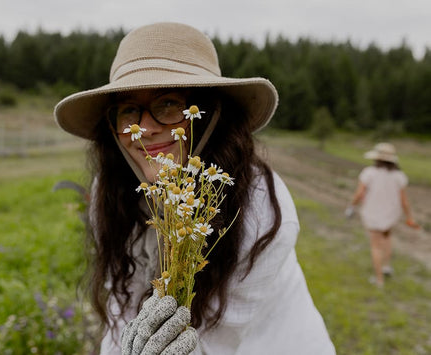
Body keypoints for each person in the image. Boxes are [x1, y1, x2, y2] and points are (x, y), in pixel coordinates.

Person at [54, 22, 335, 354]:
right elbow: (121, 310)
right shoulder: (110, 192)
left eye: (169, 103)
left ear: (211, 115)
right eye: (129, 109)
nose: (143, 129)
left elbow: (215, 342)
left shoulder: (260, 210)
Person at [347, 142, 419, 288]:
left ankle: (379, 280)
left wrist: (351, 206)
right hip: (391, 214)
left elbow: (359, 194)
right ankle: (386, 266)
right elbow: (404, 201)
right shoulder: (399, 176)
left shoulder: (369, 173)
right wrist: (409, 217)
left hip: (373, 213)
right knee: (387, 238)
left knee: (375, 245)